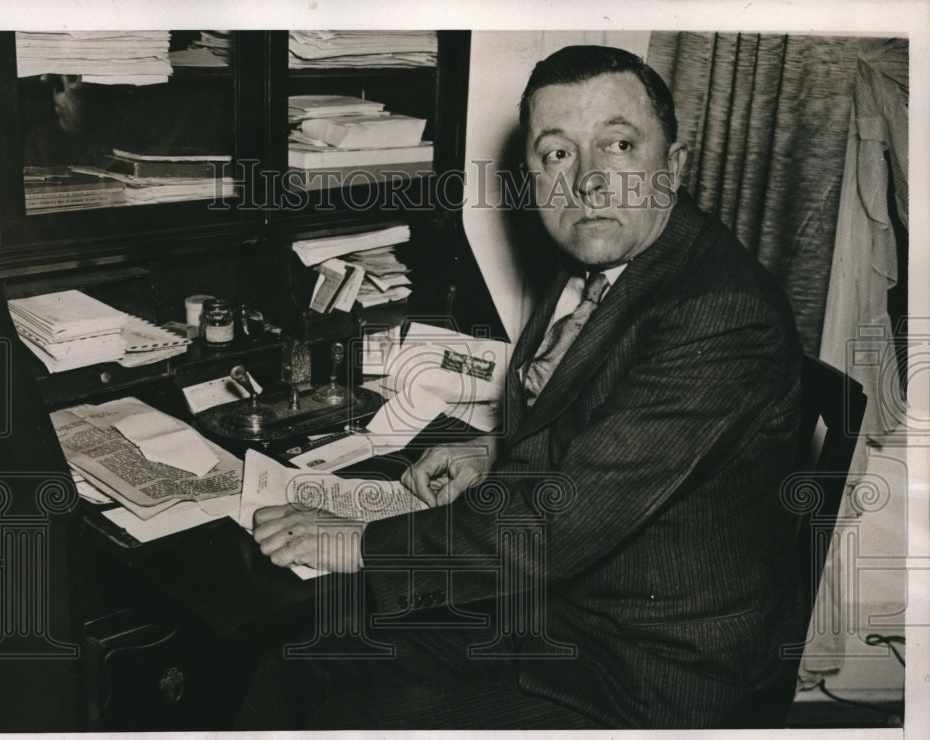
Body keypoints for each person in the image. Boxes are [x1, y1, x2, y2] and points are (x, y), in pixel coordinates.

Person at [245, 45, 806, 729]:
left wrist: (358, 538)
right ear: (533, 176)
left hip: (647, 678)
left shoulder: (718, 312)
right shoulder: (604, 261)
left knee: (337, 702)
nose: (589, 182)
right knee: (295, 661)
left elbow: (559, 527)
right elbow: (610, 423)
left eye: (619, 145)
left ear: (675, 165)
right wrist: (494, 452)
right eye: (558, 155)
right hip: (566, 613)